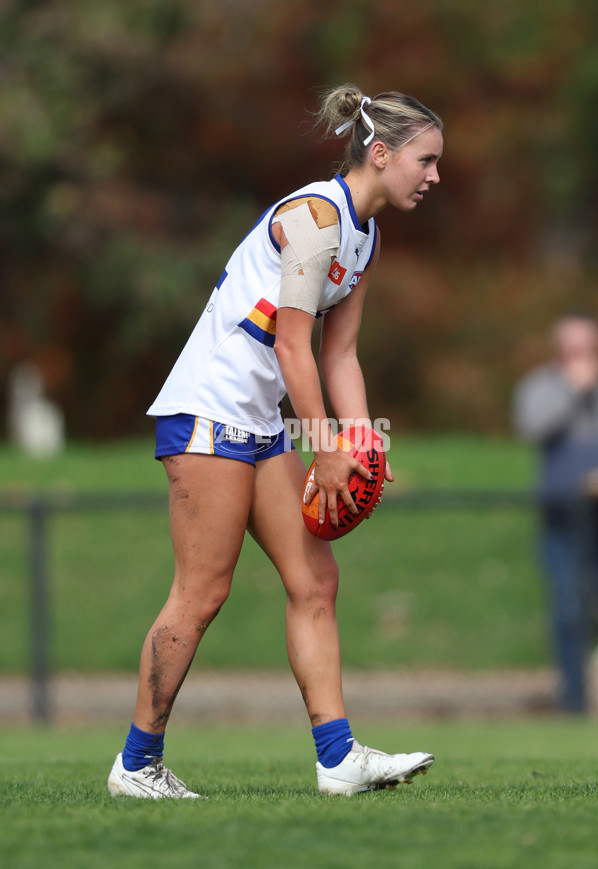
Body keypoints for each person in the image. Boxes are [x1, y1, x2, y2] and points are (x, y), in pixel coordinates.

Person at [108, 84, 444, 798]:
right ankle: (136, 765)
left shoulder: (366, 234)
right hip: (207, 410)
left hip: (257, 420)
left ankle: (338, 758)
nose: (435, 175)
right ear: (380, 154)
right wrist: (323, 447)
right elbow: (293, 343)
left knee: (315, 579)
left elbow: (339, 353)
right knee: (202, 592)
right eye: (427, 159)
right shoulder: (316, 219)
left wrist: (358, 440)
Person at [513, 314, 598, 712]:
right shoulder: (541, 386)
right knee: (567, 607)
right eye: (572, 347)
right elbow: (532, 427)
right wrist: (571, 391)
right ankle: (573, 702)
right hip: (562, 516)